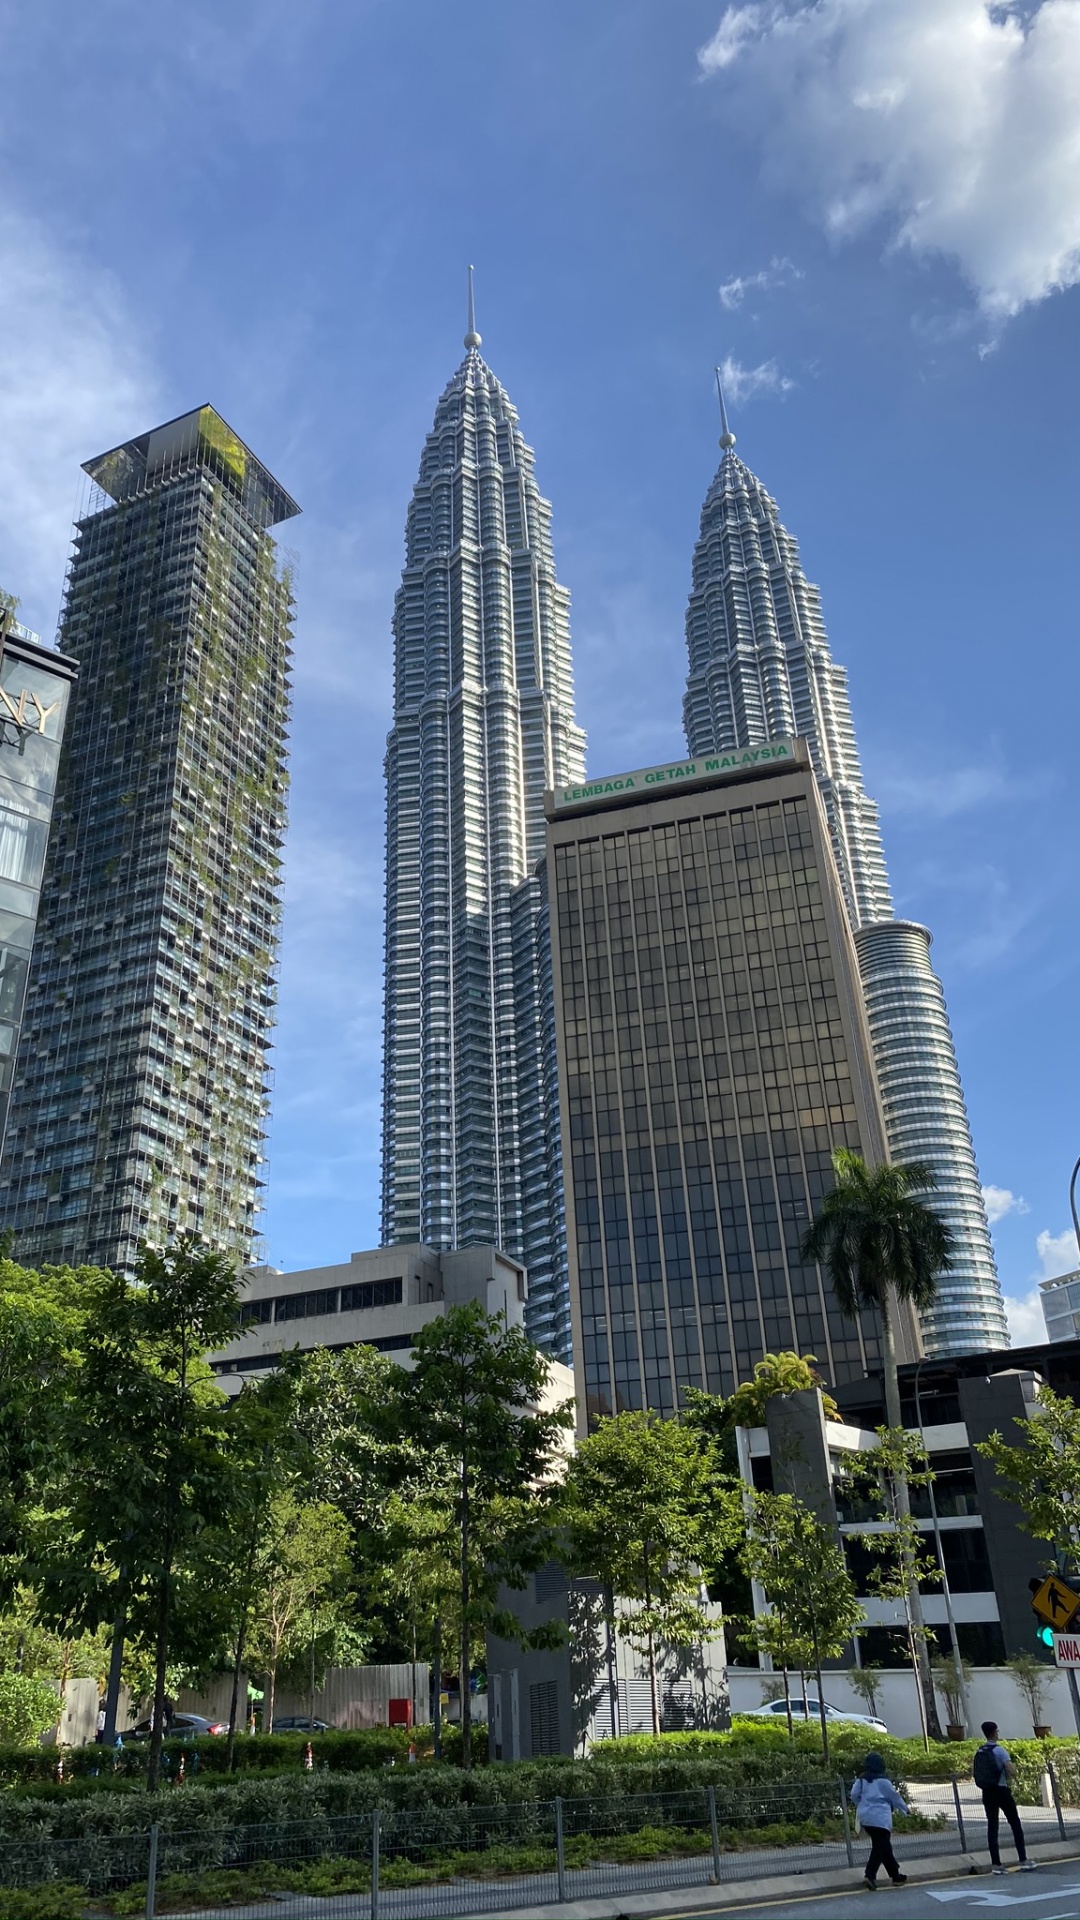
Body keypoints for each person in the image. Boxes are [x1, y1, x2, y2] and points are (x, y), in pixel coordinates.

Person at [974, 1721, 1035, 1875]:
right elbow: (1012, 1770)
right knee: (1015, 1823)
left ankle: (996, 1864)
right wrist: (1012, 1773)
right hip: (1001, 1790)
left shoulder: (980, 1751)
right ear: (995, 1733)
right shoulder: (999, 1750)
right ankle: (1023, 1860)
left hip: (987, 1792)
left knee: (992, 1826)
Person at [850, 1752, 909, 1891]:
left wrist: (861, 1804)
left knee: (883, 1846)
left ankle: (896, 1876)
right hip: (880, 1818)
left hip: (866, 1817)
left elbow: (853, 1794)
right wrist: (905, 1809)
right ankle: (870, 1875)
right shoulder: (883, 1781)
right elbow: (895, 1797)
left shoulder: (861, 1780)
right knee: (880, 1847)